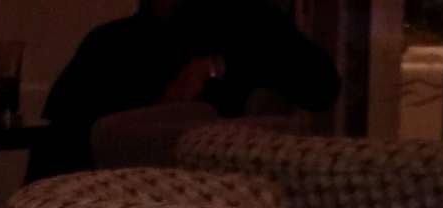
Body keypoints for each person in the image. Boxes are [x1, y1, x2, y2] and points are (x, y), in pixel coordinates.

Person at [35, 0, 340, 176]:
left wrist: (216, 66)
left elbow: (321, 86)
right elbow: (60, 142)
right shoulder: (108, 43)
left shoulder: (247, 23)